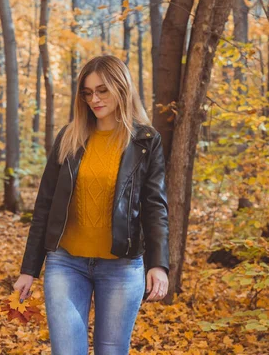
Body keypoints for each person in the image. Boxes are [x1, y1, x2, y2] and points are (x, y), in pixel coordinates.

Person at [13, 55, 169, 355]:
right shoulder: (69, 138)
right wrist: (29, 269)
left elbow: (155, 207)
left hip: (122, 267)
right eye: (87, 93)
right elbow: (44, 205)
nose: (94, 99)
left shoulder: (145, 141)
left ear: (121, 88)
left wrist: (158, 264)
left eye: (102, 90)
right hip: (66, 263)